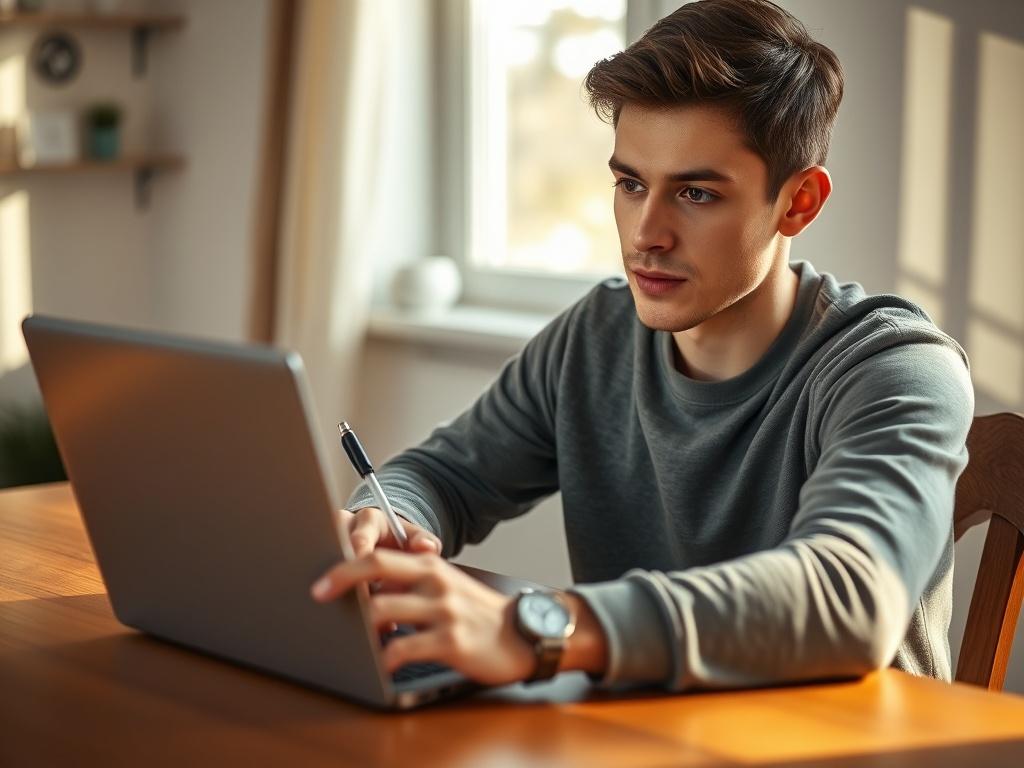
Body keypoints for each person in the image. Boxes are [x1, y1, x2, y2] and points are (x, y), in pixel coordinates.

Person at [310, 0, 974, 691]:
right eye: (630, 183)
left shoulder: (897, 369)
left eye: (695, 194)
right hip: (643, 738)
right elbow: (443, 477)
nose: (644, 234)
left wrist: (539, 628)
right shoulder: (596, 337)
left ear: (798, 202)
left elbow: (850, 598)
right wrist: (380, 523)